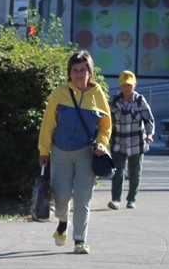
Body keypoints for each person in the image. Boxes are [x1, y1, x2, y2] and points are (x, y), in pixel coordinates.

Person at [38, 50, 112, 254]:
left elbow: (106, 125)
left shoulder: (98, 95)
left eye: (83, 70)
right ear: (69, 73)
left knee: (82, 198)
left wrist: (102, 143)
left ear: (90, 72)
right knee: (61, 197)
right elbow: (48, 124)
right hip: (60, 152)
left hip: (86, 154)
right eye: (75, 70)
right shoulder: (59, 94)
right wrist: (43, 150)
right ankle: (62, 222)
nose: (79, 74)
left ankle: (80, 239)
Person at [107, 70, 155, 210]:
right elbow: (107, 121)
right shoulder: (114, 101)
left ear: (135, 84)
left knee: (135, 172)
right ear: (120, 86)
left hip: (136, 142)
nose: (127, 88)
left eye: (129, 85)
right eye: (124, 85)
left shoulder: (140, 101)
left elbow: (149, 119)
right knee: (118, 171)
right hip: (118, 142)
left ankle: (131, 199)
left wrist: (149, 134)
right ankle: (115, 200)